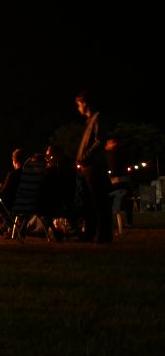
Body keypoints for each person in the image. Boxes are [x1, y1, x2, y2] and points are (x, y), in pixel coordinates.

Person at [75, 91, 112, 243]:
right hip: (87, 167)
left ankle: (104, 235)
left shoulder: (98, 118)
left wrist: (85, 157)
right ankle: (89, 233)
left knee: (99, 201)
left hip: (94, 167)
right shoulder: (90, 121)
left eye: (78, 105)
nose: (78, 108)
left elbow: (100, 141)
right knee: (88, 202)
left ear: (85, 103)